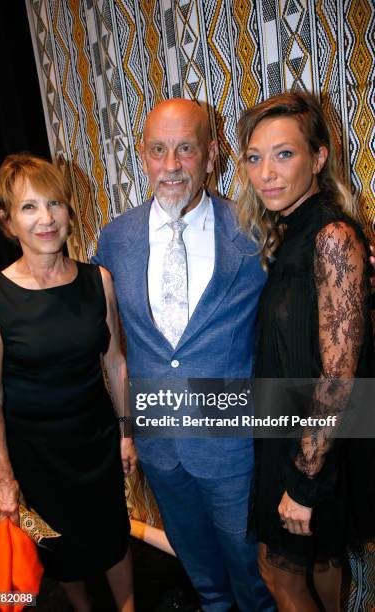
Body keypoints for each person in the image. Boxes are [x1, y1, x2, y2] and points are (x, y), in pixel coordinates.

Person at [92, 99, 275, 612]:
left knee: (254, 579)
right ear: (143, 156)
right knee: (203, 577)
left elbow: (300, 298)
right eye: (158, 150)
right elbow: (95, 328)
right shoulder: (116, 238)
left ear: (211, 155)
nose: (170, 165)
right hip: (160, 448)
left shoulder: (252, 232)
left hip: (233, 448)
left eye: (186, 149)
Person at [0, 154, 137, 612]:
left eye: (54, 204)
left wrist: (126, 434)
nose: (45, 218)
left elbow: (116, 363)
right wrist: (3, 479)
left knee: (112, 533)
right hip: (37, 452)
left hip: (97, 438)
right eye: (28, 208)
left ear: (68, 211)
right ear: (7, 223)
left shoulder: (97, 280)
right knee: (59, 547)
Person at [236, 91, 374, 611]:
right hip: (299, 431)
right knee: (320, 568)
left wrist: (303, 480)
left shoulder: (332, 236)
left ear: (318, 158)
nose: (266, 172)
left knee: (281, 574)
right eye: (255, 156)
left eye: (284, 153)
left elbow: (340, 377)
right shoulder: (292, 234)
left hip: (313, 446)